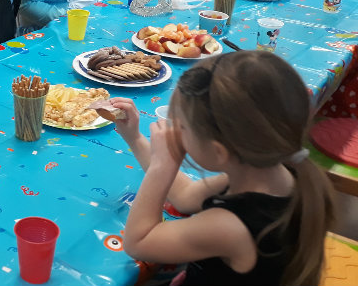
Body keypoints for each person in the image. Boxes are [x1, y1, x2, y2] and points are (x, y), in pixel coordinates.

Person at [109, 51, 335, 286]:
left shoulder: (229, 226)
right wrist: (135, 138)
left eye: (183, 127)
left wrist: (161, 167)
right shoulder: (271, 174)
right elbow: (185, 197)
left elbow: (139, 242)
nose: (175, 131)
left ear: (219, 152)